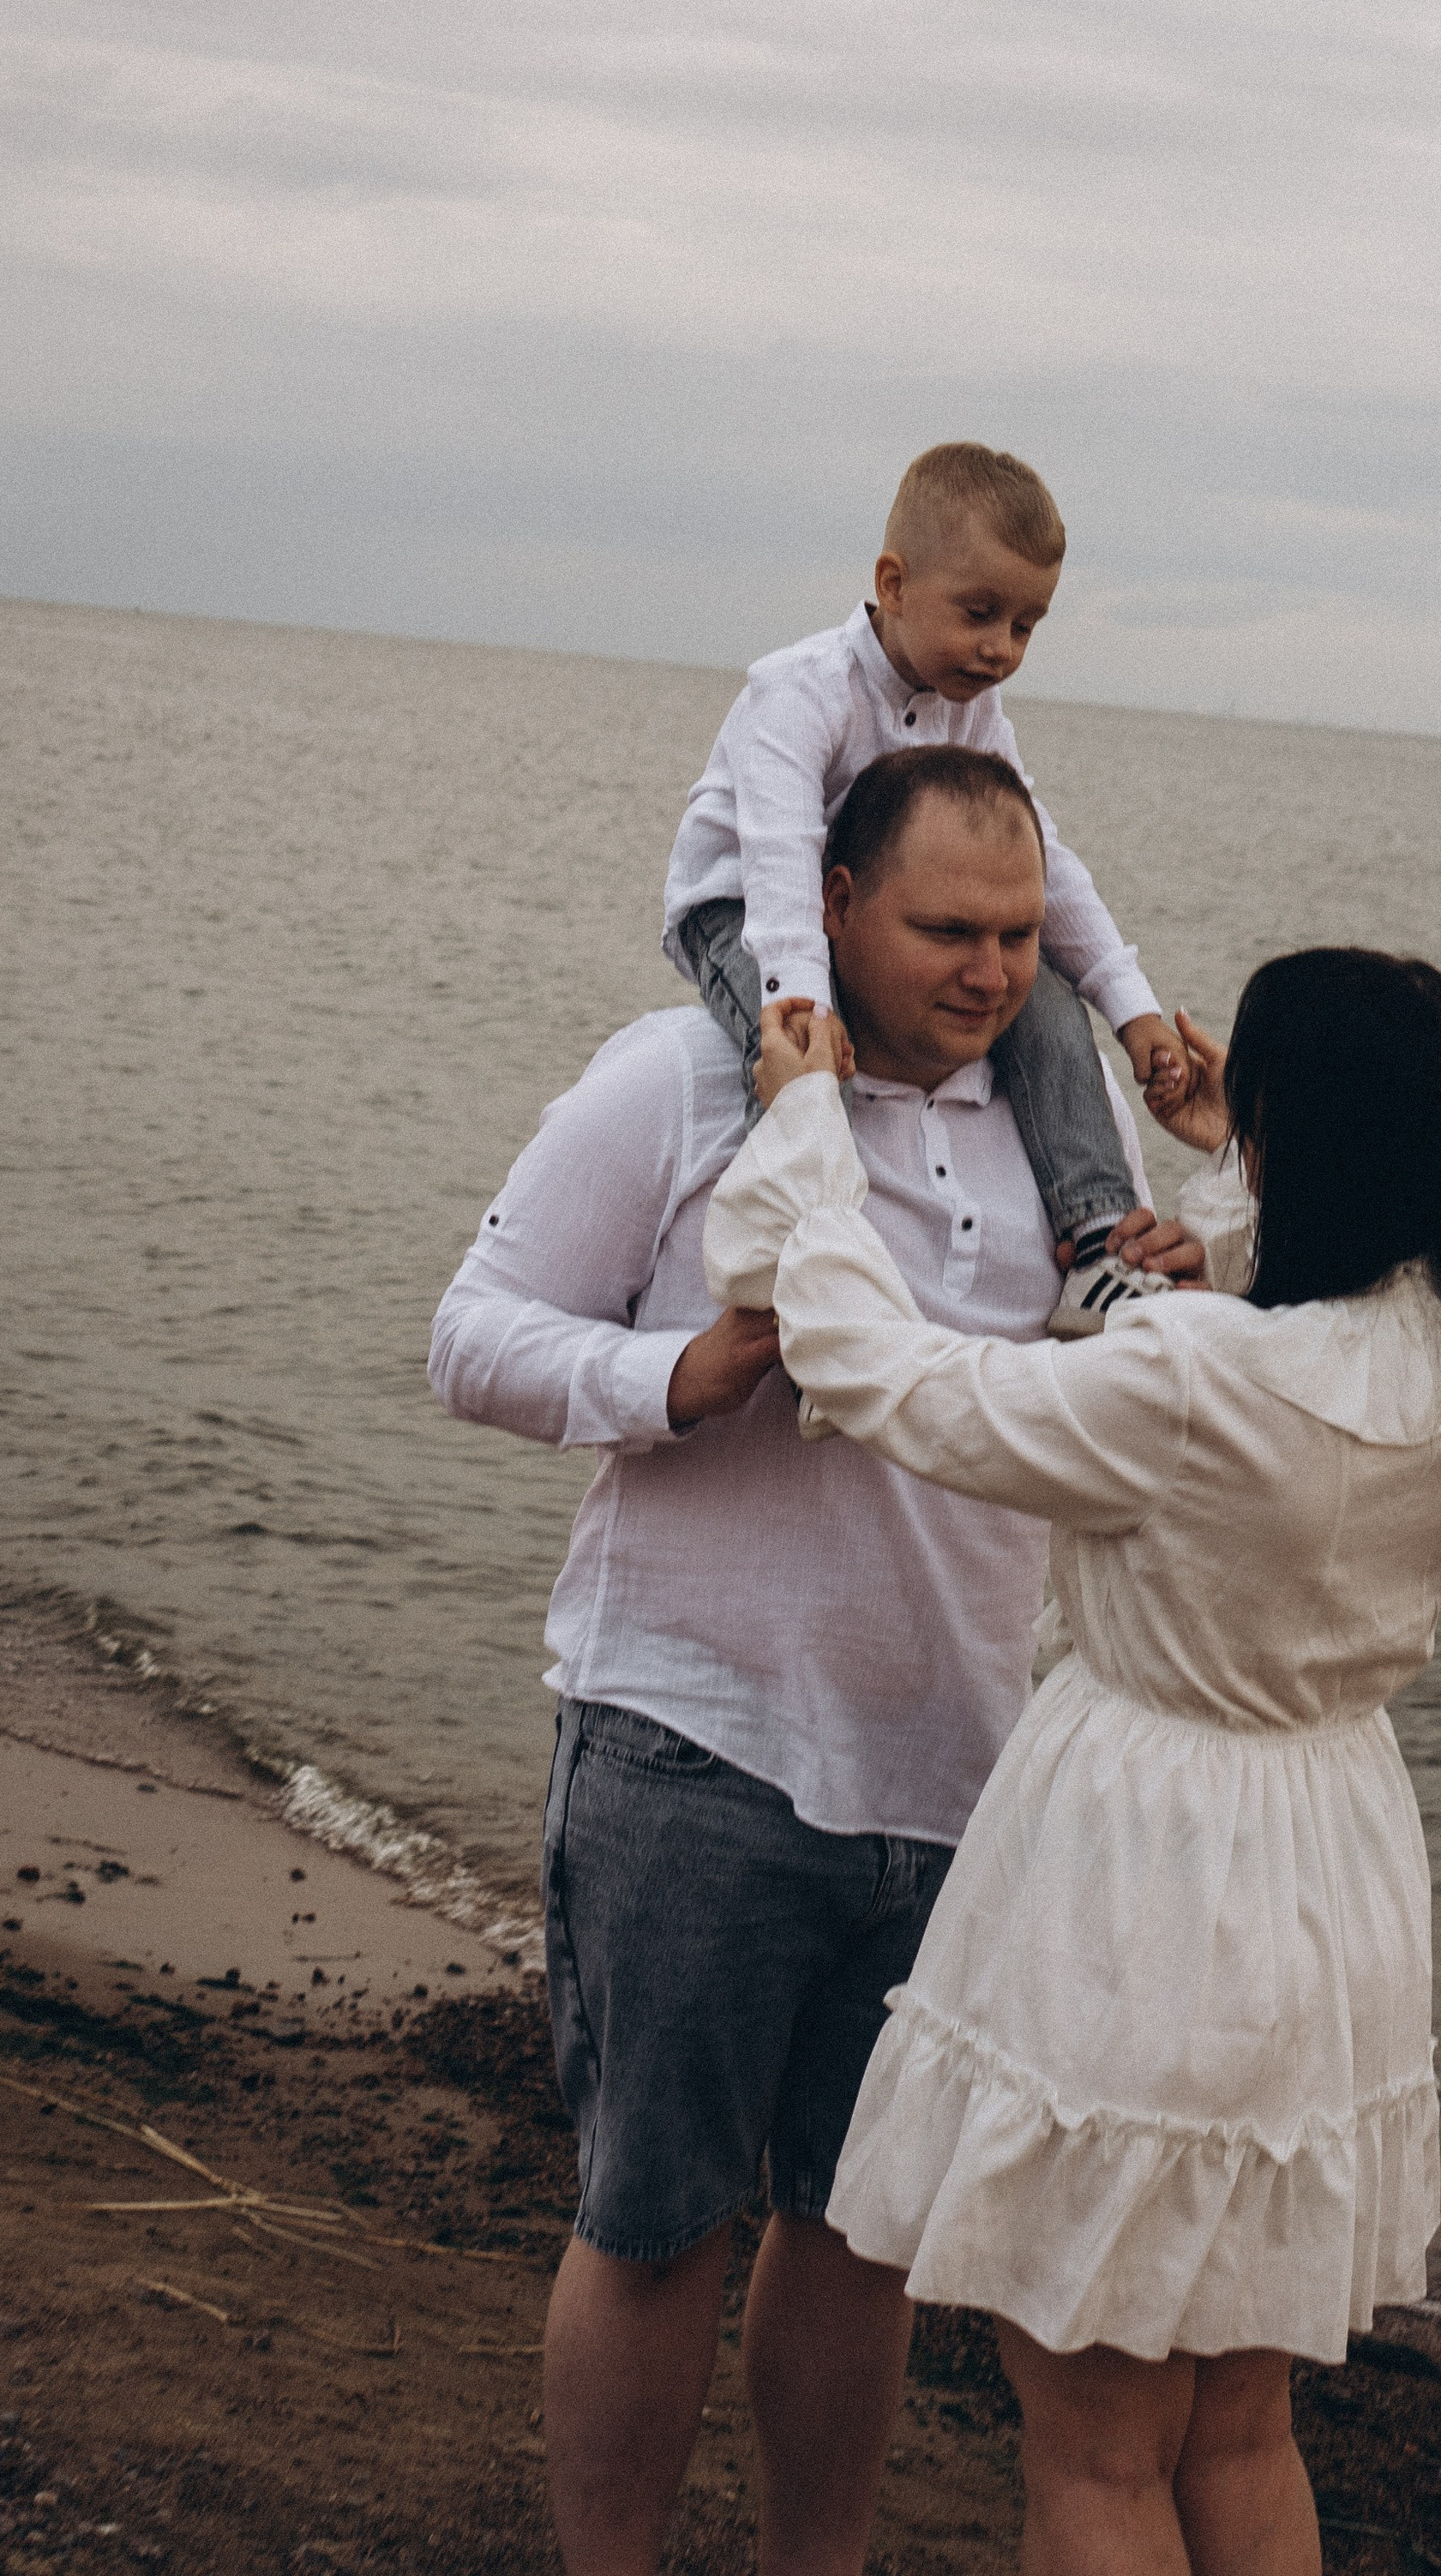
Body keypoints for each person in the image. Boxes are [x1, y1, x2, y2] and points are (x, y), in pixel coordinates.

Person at [428, 747, 1205, 2576]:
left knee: (860, 2236)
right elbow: (469, 1336)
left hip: (958, 1771)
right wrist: (677, 1377)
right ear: (830, 906)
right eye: (945, 926)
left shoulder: (1058, 1136)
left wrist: (1153, 1296)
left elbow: (1083, 1430)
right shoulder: (680, 1078)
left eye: (1020, 934)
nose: (992, 970)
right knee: (651, 2226)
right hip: (692, 1742)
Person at [704, 948, 1441, 2576]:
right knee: (1238, 2427)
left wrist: (810, 1144)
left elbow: (901, 1383)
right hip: (1331, 1871)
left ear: (1316, 1137)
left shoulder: (1194, 1378)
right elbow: (1303, 1279)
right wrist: (1244, 1152)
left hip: (1150, 1874)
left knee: (1094, 2449)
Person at [663, 438, 1192, 1332]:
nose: (998, 650)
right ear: (895, 583)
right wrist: (800, 995)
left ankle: (1100, 1247)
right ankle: (795, 1280)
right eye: (979, 613)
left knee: (1047, 1004)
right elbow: (779, 846)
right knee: (800, 1075)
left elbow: (1043, 862)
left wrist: (1130, 1005)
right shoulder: (800, 691)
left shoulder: (974, 714)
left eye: (1024, 627)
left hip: (857, 918)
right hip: (744, 908)